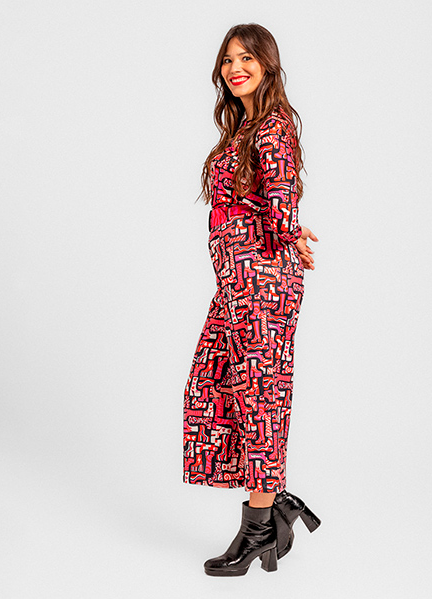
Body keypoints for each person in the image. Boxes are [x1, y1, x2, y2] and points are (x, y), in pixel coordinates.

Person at [183, 23, 321, 577]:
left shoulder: (272, 127)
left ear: (268, 64)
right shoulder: (244, 127)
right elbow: (264, 197)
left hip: (262, 281)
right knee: (220, 388)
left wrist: (291, 233)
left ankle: (260, 526)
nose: (235, 67)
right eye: (227, 59)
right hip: (237, 280)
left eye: (246, 57)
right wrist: (287, 229)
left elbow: (281, 198)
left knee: (260, 400)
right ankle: (275, 503)